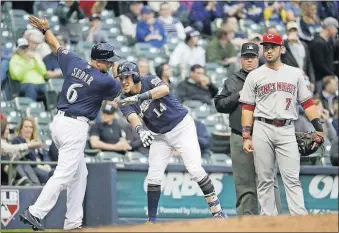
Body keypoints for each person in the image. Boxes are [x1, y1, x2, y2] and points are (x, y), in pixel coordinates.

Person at [19, 15, 121, 231]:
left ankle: (73, 223)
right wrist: (115, 72)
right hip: (75, 126)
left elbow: (56, 46)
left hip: (59, 122)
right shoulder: (105, 80)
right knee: (65, 173)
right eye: (109, 61)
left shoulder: (75, 62)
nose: (111, 63)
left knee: (79, 173)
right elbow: (120, 90)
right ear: (99, 61)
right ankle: (35, 212)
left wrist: (47, 30)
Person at [116, 61, 227, 223]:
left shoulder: (149, 80)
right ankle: (151, 221)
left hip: (181, 126)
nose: (123, 81)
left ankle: (217, 212)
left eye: (127, 77)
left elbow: (164, 89)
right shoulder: (123, 98)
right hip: (160, 135)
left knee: (195, 170)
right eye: (121, 78)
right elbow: (132, 116)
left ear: (135, 76)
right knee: (153, 176)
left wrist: (139, 97)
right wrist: (140, 130)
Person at [239, 33, 324, 216]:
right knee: (264, 179)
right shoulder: (254, 75)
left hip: (287, 128)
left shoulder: (294, 73)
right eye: (266, 47)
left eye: (273, 47)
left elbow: (307, 103)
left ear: (281, 49)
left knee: (292, 177)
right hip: (262, 127)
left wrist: (319, 128)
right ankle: (268, 221)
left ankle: (299, 218)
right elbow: (247, 107)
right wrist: (246, 136)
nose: (268, 50)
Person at [214, 42, 282, 216]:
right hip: (239, 135)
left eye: (252, 57)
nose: (249, 61)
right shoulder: (232, 81)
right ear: (240, 59)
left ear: (257, 59)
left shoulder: (270, 77)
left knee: (268, 180)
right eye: (246, 57)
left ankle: (273, 222)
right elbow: (220, 105)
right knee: (245, 183)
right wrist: (239, 94)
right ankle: (247, 223)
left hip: (266, 133)